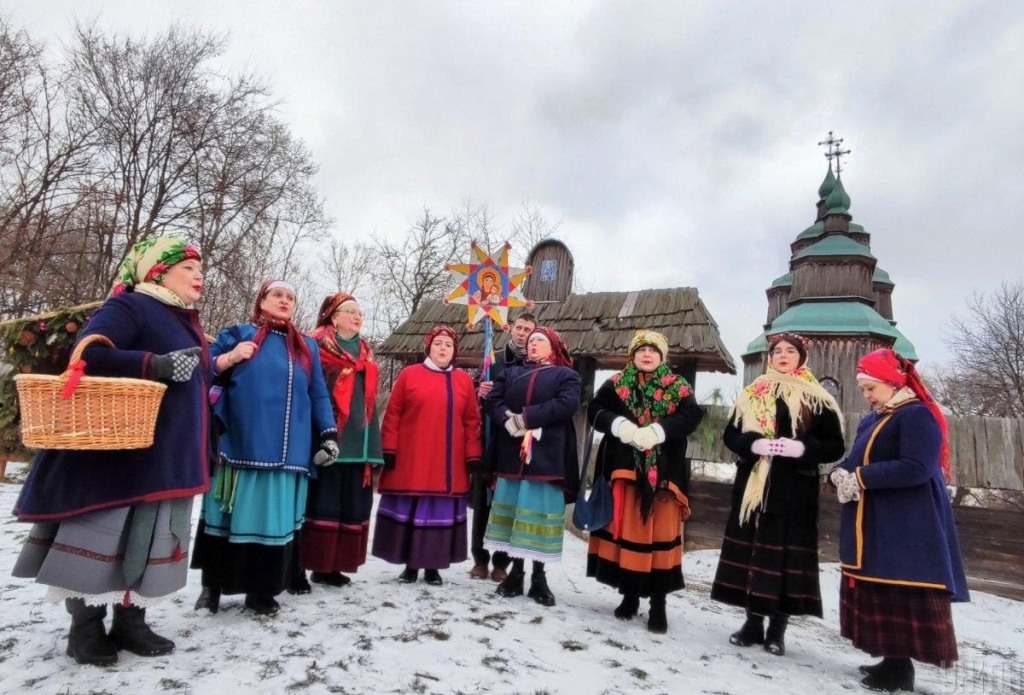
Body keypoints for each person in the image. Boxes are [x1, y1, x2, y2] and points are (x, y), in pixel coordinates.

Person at [13, 237, 210, 665]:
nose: (199, 276)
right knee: (104, 537)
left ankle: (130, 622)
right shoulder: (130, 305)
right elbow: (88, 354)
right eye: (189, 268)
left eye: (200, 270)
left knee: (147, 541)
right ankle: (84, 629)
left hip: (163, 458)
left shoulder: (182, 319)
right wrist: (151, 365)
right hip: (118, 456)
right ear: (157, 271)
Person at [191, 280, 337, 616]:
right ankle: (211, 588)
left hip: (289, 451)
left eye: (291, 296)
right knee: (226, 516)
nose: (285, 300)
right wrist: (230, 357)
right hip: (241, 441)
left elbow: (318, 394)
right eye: (278, 295)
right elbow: (205, 370)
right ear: (262, 300)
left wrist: (329, 434)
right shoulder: (238, 332)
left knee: (273, 522)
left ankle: (261, 590)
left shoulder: (306, 348)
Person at [830, 348, 968, 693]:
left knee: (898, 585)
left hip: (908, 522)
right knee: (880, 586)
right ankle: (892, 660)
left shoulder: (917, 416)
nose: (867, 396)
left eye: (871, 388)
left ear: (892, 383)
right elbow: (855, 457)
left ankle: (900, 670)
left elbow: (918, 467)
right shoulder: (875, 418)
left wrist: (862, 478)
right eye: (863, 389)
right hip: (877, 518)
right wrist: (840, 473)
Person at [710, 332, 845, 656]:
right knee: (753, 556)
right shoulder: (752, 393)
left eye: (790, 351)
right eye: (777, 351)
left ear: (802, 357)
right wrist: (752, 444)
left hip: (794, 493)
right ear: (769, 358)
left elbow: (835, 446)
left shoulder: (818, 398)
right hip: (752, 492)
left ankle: (777, 631)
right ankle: (752, 624)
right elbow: (730, 433)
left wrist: (802, 447)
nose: (782, 356)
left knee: (783, 560)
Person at [585, 330, 703, 633]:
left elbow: (691, 416)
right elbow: (594, 411)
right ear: (632, 355)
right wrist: (620, 425)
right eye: (641, 350)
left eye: (653, 350)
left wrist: (659, 431)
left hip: (664, 474)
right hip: (623, 471)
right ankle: (630, 596)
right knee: (629, 535)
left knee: (658, 536)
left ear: (662, 357)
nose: (647, 355)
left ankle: (658, 605)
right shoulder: (616, 384)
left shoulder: (678, 387)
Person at [372, 326, 482, 585]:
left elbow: (471, 421)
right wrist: (389, 448)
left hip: (448, 463)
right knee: (412, 509)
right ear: (429, 348)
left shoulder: (463, 381)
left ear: (454, 352)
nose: (443, 348)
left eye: (448, 345)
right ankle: (410, 565)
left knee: (438, 512)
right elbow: (393, 415)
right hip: (412, 459)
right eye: (438, 344)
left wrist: (473, 455)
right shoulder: (409, 375)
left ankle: (433, 566)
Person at [484, 327, 581, 607]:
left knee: (538, 515)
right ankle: (516, 573)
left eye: (539, 340)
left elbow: (567, 404)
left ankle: (539, 577)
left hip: (546, 457)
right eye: (530, 341)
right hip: (511, 455)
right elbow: (493, 400)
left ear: (553, 347)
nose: (533, 344)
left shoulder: (567, 376)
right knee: (515, 513)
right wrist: (506, 419)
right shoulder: (511, 373)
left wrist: (525, 418)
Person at [296, 293, 384, 590]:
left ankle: (332, 567)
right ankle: (311, 562)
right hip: (329, 436)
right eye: (350, 311)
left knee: (349, 505)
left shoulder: (366, 353)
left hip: (359, 441)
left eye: (360, 312)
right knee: (323, 503)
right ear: (333, 317)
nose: (357, 316)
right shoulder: (315, 346)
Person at [470, 312, 537, 582]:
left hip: (517, 441)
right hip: (490, 435)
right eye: (519, 328)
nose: (522, 333)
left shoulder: (536, 362)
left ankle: (502, 563)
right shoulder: (493, 358)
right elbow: (473, 387)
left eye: (527, 330)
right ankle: (480, 559)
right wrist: (479, 388)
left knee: (509, 500)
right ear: (511, 329)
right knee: (483, 500)